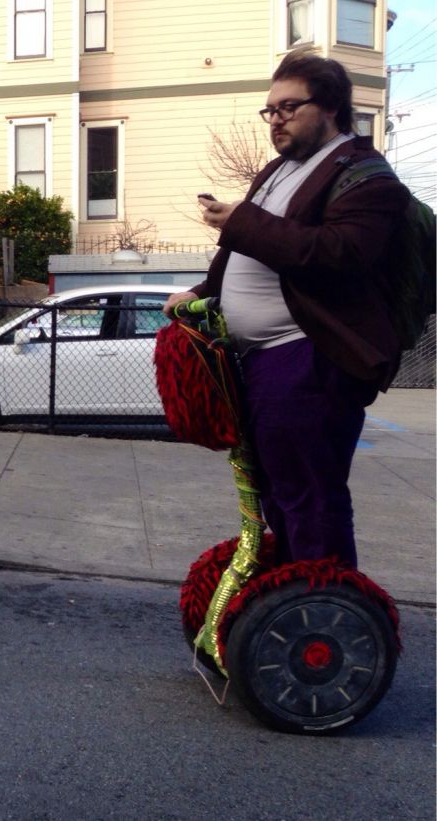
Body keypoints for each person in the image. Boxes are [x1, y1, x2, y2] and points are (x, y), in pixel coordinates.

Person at [163, 47, 410, 568]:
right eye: (269, 110)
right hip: (261, 361)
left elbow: (340, 254)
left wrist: (242, 221)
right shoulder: (278, 171)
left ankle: (327, 617)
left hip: (309, 357)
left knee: (310, 493)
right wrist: (202, 290)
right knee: (278, 491)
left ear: (331, 109)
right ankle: (295, 599)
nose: (275, 120)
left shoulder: (367, 176)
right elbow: (241, 252)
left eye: (288, 108)